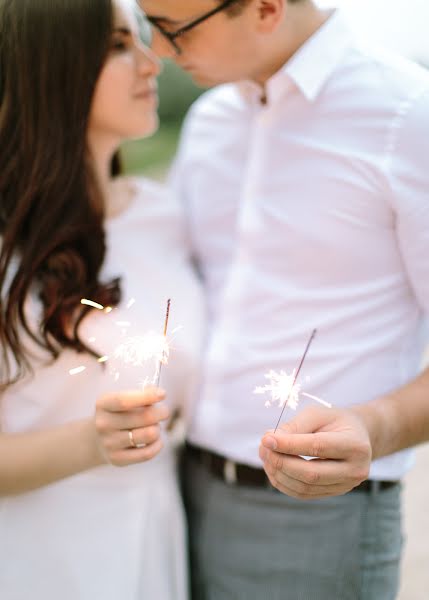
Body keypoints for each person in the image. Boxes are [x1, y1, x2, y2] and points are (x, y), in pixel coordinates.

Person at [139, 0, 429, 598]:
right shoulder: (208, 120)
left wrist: (370, 426)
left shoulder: (409, 115)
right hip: (174, 496)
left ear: (267, 8)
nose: (160, 53)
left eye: (172, 30)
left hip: (321, 520)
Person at [0, 1, 203, 599]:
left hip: (152, 539)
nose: (151, 63)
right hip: (34, 554)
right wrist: (93, 443)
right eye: (119, 45)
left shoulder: (162, 215)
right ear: (51, 64)